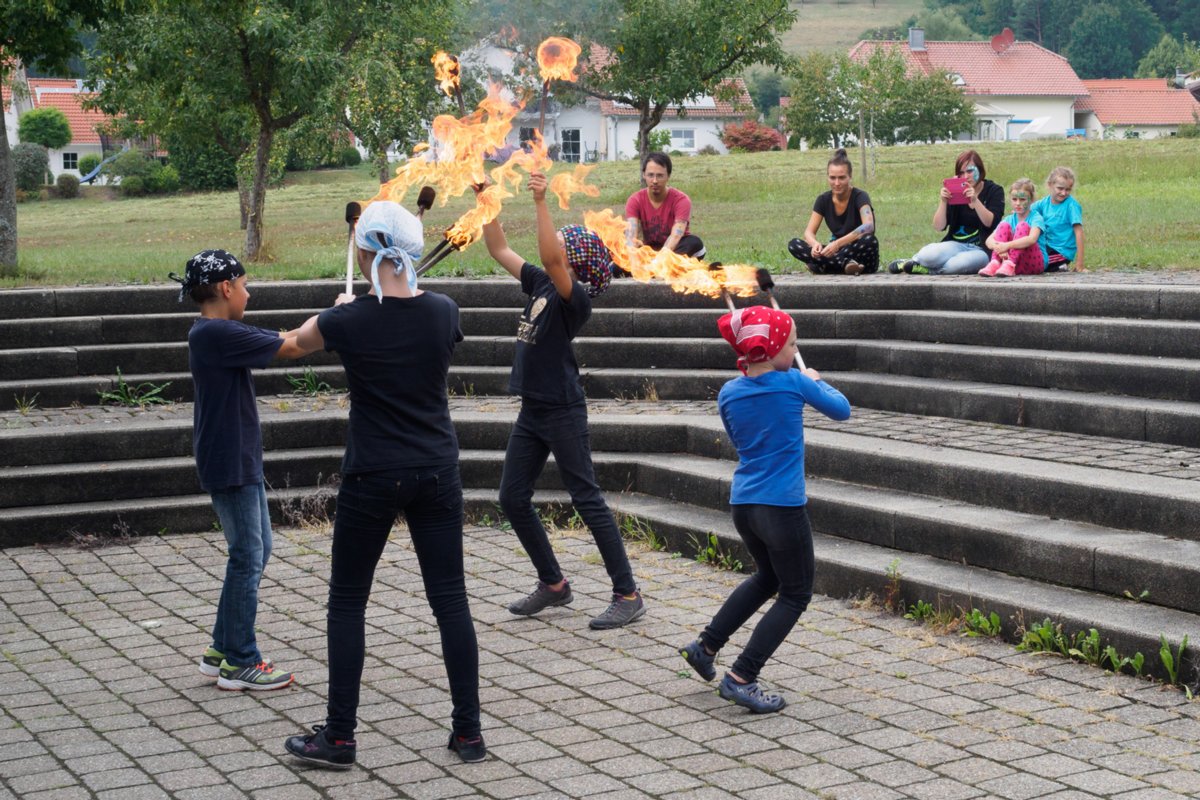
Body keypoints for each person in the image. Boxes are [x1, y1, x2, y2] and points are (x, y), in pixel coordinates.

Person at [283, 201, 484, 769]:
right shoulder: (445, 311)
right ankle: (468, 733)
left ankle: (340, 737)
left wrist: (340, 311)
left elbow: (297, 342)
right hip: (436, 470)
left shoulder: (347, 321)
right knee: (451, 601)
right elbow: (421, 326)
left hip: (372, 473)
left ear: (366, 252)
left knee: (347, 602)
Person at [481, 171, 647, 630]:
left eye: (560, 244)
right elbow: (498, 249)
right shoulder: (539, 284)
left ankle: (628, 594)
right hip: (533, 409)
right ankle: (554, 584)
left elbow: (549, 256)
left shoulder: (576, 301)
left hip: (562, 409)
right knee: (512, 497)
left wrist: (540, 201)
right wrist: (485, 198)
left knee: (586, 498)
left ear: (573, 262)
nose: (552, 244)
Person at [679, 306, 850, 713]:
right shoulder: (793, 382)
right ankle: (742, 676)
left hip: (745, 504)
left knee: (767, 578)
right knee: (795, 593)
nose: (796, 350)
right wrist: (815, 380)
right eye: (791, 344)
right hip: (782, 507)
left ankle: (705, 646)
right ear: (772, 350)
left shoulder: (728, 392)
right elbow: (842, 410)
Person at [172, 249, 318, 692]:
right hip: (229, 461)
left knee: (256, 550)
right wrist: (338, 320)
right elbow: (292, 347)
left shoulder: (217, 332)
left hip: (238, 458)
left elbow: (285, 336)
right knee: (247, 556)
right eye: (246, 284)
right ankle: (240, 660)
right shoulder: (216, 334)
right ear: (226, 288)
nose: (249, 293)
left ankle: (222, 647)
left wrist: (336, 316)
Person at [889, 149, 1004, 275]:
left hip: (982, 249)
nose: (966, 176)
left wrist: (975, 200)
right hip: (955, 244)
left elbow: (990, 223)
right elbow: (939, 226)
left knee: (956, 266)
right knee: (928, 255)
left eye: (970, 171)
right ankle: (914, 261)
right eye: (961, 173)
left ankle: (924, 269)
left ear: (980, 169)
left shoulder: (994, 190)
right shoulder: (955, 191)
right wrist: (943, 202)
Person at [786, 148, 878, 275]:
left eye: (841, 178)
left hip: (858, 254)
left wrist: (837, 244)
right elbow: (808, 232)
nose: (837, 183)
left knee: (869, 240)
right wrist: (815, 245)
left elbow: (868, 226)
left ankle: (823, 265)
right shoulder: (823, 200)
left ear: (850, 176)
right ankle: (844, 264)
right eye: (832, 178)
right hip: (837, 253)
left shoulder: (860, 196)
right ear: (827, 177)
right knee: (794, 244)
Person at [620, 152, 705, 276]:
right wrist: (632, 259)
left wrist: (659, 261)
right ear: (644, 175)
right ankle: (655, 271)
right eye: (650, 175)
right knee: (620, 261)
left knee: (694, 242)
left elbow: (676, 235)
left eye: (660, 176)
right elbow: (631, 236)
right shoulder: (635, 200)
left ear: (668, 176)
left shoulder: (681, 200)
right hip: (650, 251)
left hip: (675, 249)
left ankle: (657, 269)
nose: (654, 181)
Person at [980, 178, 1045, 277]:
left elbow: (1032, 239)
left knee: (1022, 226)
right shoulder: (1009, 219)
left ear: (1031, 200)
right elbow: (989, 240)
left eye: (1022, 199)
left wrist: (1007, 246)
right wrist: (999, 248)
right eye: (1014, 199)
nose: (1018, 203)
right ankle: (995, 263)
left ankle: (1009, 264)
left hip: (1035, 263)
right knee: (1003, 226)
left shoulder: (1036, 217)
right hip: (1013, 264)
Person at [1029, 166, 1085, 273]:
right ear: (1050, 185)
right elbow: (1027, 211)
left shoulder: (1071, 206)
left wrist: (1080, 264)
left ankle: (1061, 266)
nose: (1064, 193)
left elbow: (1079, 232)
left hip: (1060, 251)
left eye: (1068, 189)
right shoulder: (1044, 203)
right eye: (1060, 188)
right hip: (1046, 246)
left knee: (1035, 263)